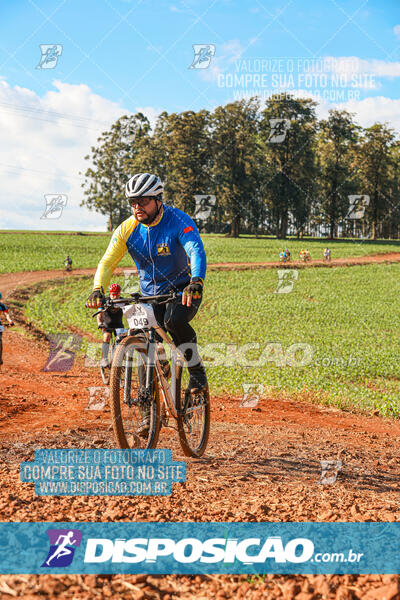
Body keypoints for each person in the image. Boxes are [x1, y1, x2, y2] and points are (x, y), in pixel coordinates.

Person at [86, 173, 207, 432]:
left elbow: (195, 249)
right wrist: (98, 288)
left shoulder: (178, 220)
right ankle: (146, 416)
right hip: (149, 295)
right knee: (142, 344)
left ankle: (196, 371)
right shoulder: (127, 228)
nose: (137, 207)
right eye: (132, 202)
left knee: (173, 321)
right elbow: (108, 261)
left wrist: (196, 280)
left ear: (158, 199)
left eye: (142, 201)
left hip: (182, 291)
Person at [97, 283, 124, 367]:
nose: (115, 296)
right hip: (107, 325)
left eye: (117, 294)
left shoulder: (123, 301)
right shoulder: (105, 300)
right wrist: (99, 323)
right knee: (107, 336)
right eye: (113, 294)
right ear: (110, 293)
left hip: (119, 325)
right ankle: (104, 359)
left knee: (122, 341)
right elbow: (99, 314)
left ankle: (119, 361)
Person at [0, 292, 15, 366]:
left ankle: (0, 357)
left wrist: (10, 321)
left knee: (0, 340)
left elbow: (6, 315)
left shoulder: (2, 306)